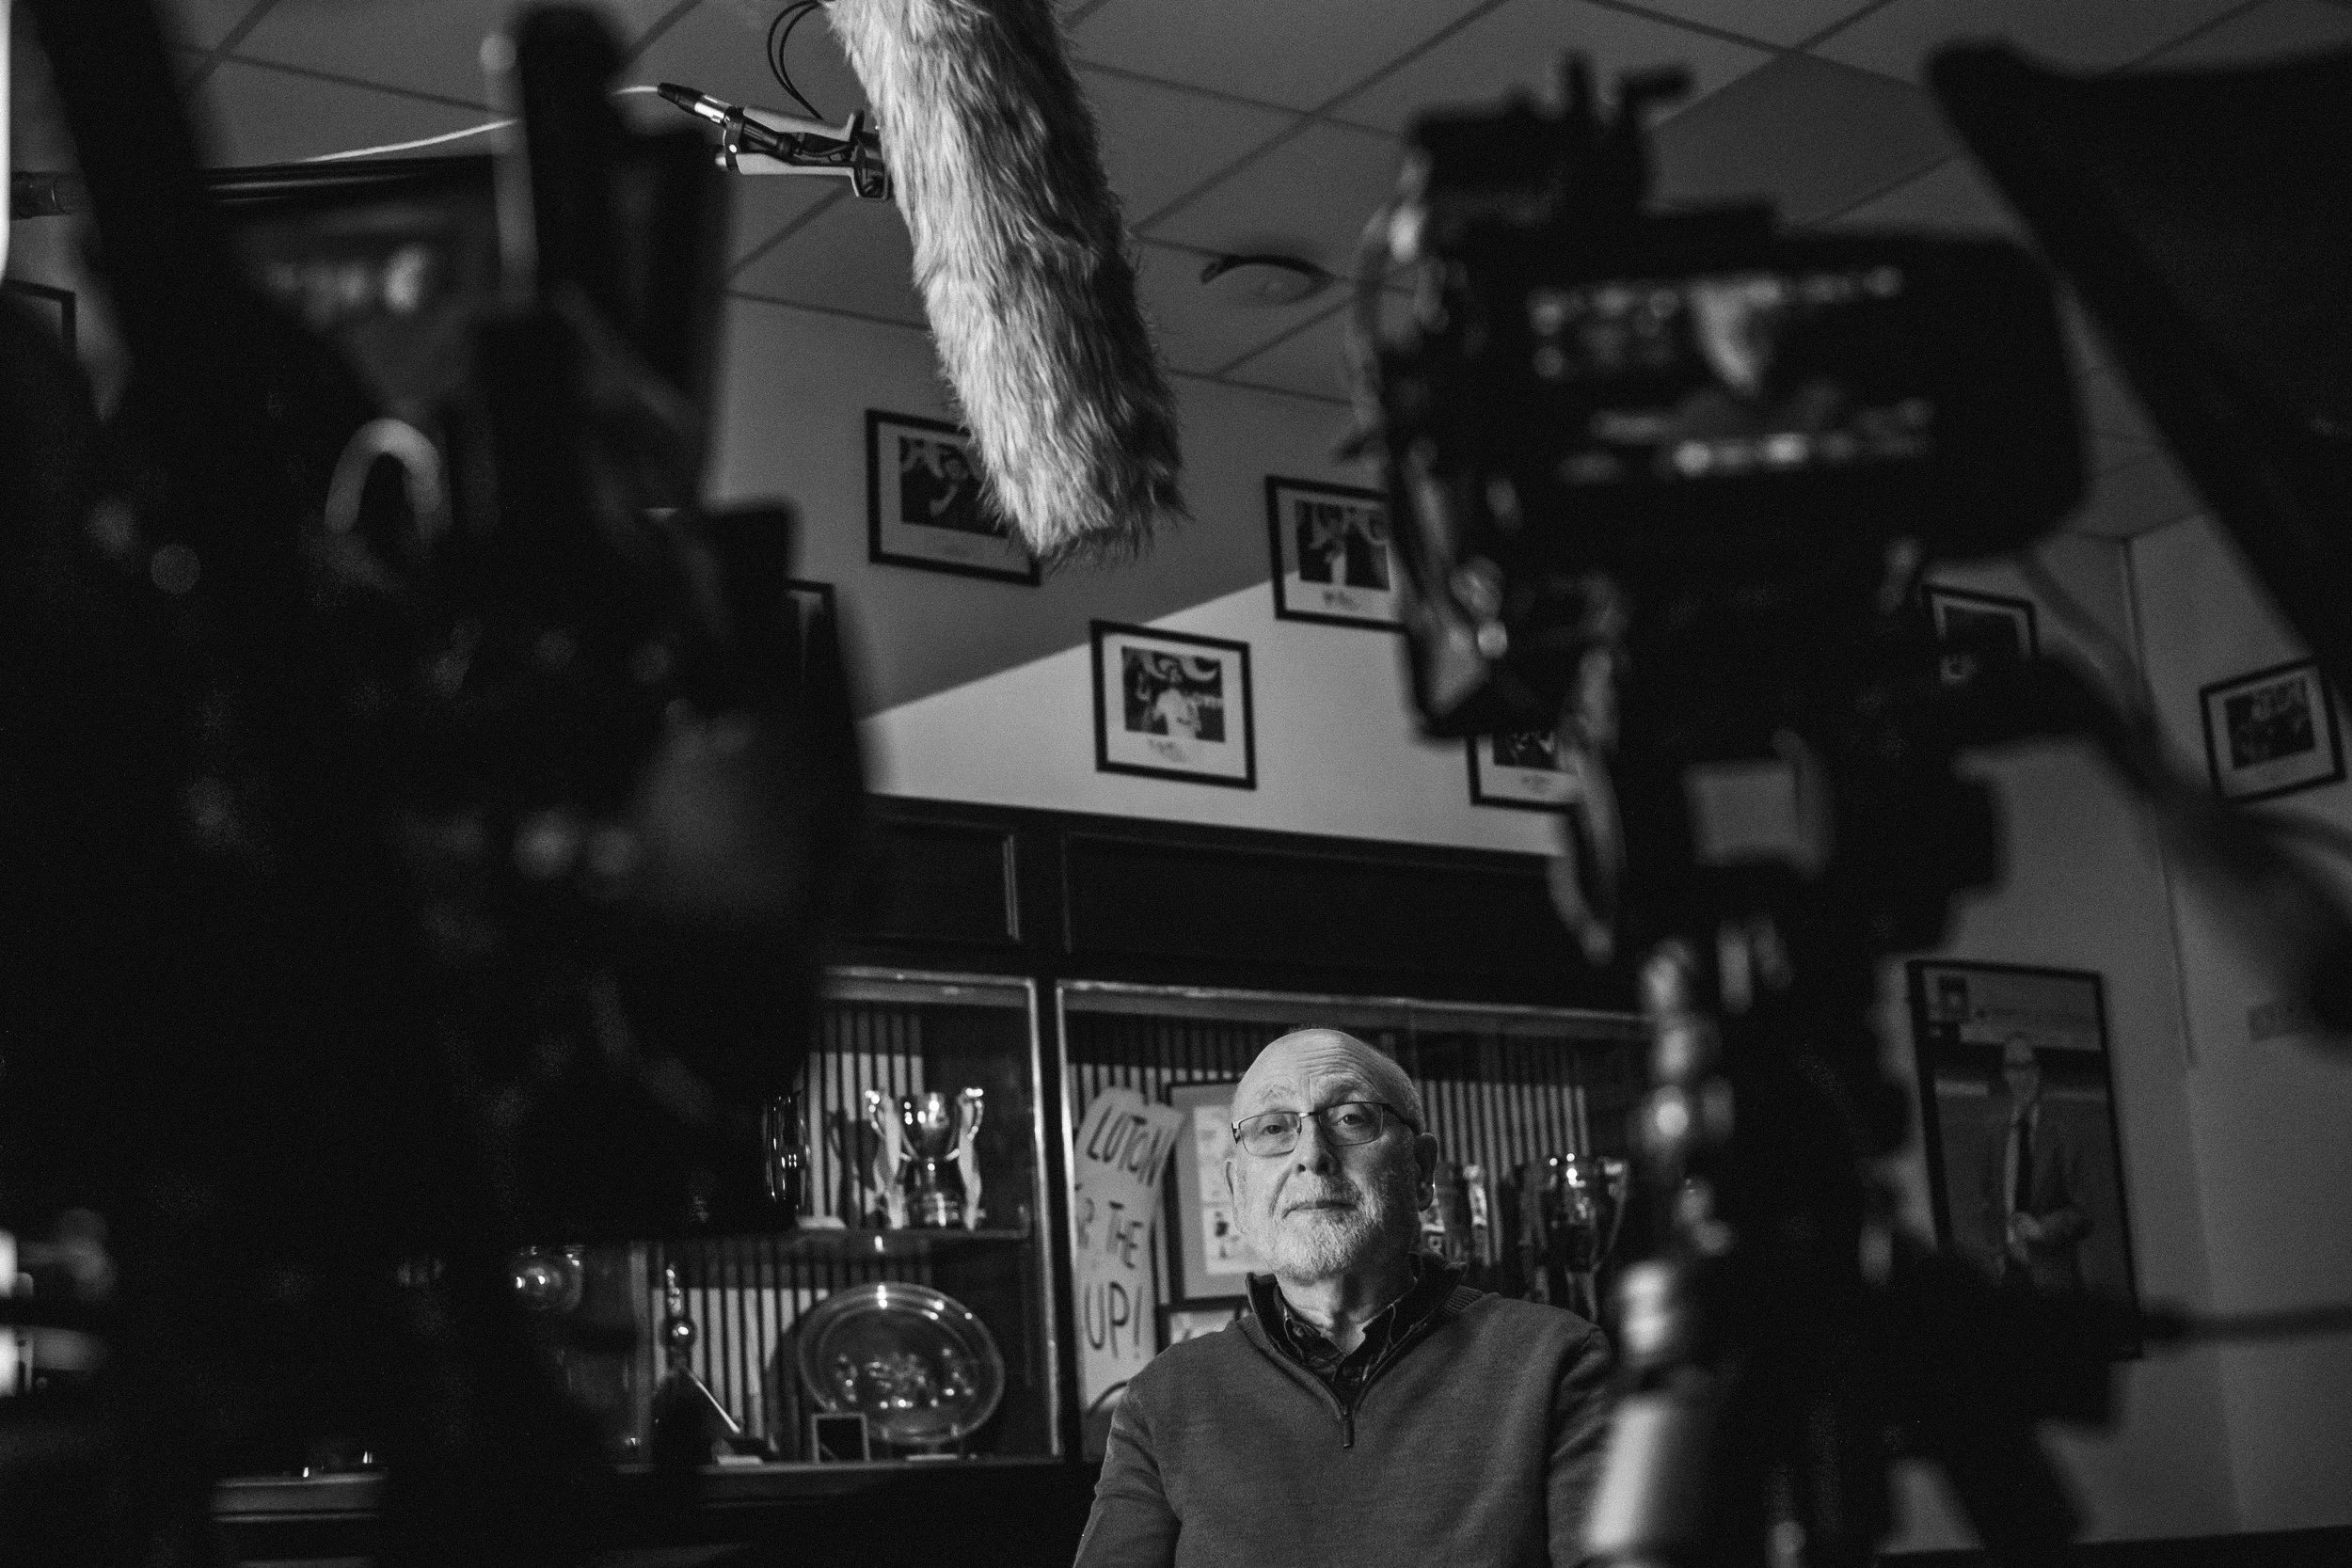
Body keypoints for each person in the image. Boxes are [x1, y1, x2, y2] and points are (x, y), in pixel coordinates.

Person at [1073, 1029, 1613, 1567]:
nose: (1312, 1155)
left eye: (1352, 1118)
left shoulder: (1553, 1361)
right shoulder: (1165, 1398)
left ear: (1421, 1173)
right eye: (1273, 1127)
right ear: (1238, 1191)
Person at [1976, 1036, 2091, 1293]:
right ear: (2005, 1073)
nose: (2022, 1077)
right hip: (2008, 1275)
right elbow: (1988, 1200)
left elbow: (2084, 1213)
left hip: (2054, 1277)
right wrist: (1996, 1253)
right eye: (2014, 1068)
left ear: (2038, 1072)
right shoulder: (1995, 1132)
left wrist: (2042, 1229)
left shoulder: (2063, 1132)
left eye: (2028, 1067)